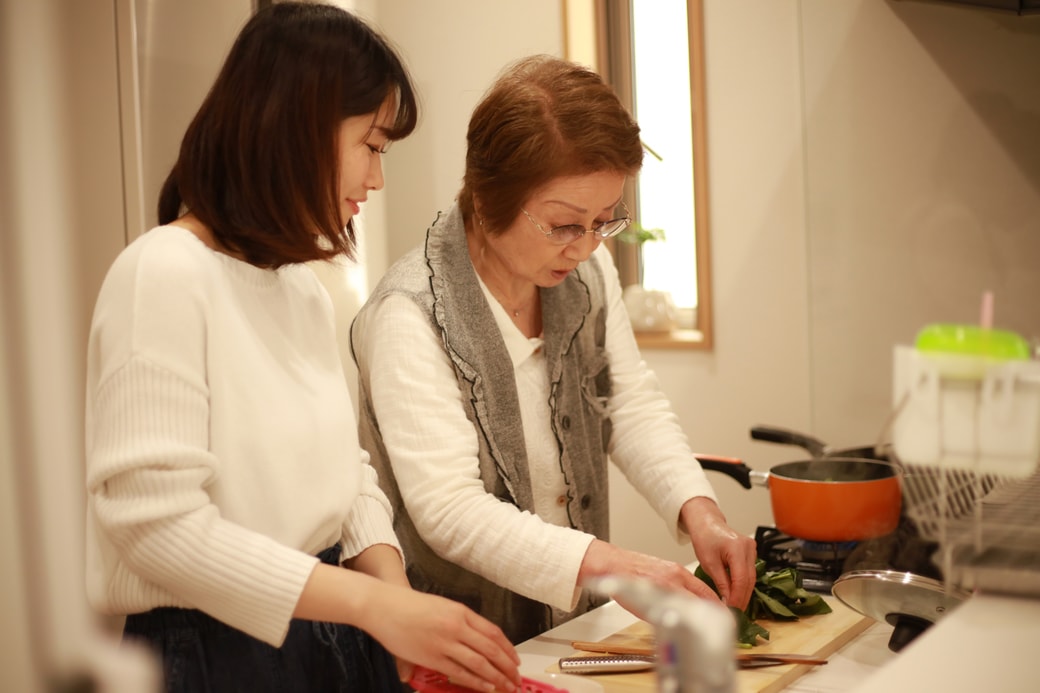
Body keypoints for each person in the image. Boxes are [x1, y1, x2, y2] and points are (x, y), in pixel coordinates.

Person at [83, 4, 521, 692]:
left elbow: (343, 473)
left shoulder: (301, 288)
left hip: (332, 629)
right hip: (216, 648)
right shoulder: (162, 273)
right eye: (372, 145)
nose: (377, 179)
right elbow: (156, 530)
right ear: (299, 127)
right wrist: (374, 605)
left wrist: (395, 598)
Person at [350, 54, 758, 645]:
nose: (588, 245)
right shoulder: (409, 314)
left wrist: (701, 511)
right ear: (487, 200)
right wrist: (617, 565)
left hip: (569, 636)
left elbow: (628, 407)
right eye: (566, 224)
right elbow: (449, 511)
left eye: (605, 220)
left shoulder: (587, 277)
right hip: (459, 647)